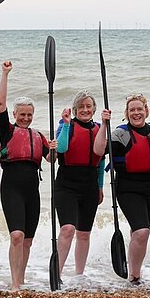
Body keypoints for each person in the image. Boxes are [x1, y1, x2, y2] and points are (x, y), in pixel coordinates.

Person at [0, 60, 57, 291]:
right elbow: (0, 103)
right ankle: (14, 283)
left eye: (29, 114)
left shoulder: (37, 135)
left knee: (28, 241)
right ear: (15, 114)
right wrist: (5, 74)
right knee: (16, 236)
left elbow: (51, 160)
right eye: (22, 114)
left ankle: (21, 279)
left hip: (32, 190)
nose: (25, 118)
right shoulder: (7, 130)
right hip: (11, 187)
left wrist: (54, 148)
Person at [96, 94, 150, 284]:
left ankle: (135, 271)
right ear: (127, 113)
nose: (136, 113)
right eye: (132, 110)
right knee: (142, 232)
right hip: (127, 187)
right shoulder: (120, 134)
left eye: (139, 109)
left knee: (138, 231)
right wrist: (103, 124)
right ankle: (134, 276)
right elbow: (99, 151)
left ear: (146, 111)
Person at [54, 90, 105, 276]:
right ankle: (56, 273)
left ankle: (79, 275)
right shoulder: (65, 125)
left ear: (93, 109)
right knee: (68, 229)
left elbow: (101, 160)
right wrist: (67, 124)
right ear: (75, 109)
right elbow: (61, 148)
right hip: (66, 182)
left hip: (90, 184)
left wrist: (100, 186)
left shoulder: (99, 128)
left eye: (88, 106)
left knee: (84, 233)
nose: (85, 110)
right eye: (81, 107)